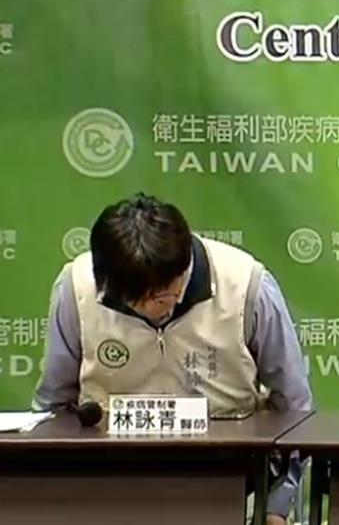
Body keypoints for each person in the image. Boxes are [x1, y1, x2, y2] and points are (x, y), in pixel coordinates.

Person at [33, 194, 312, 525]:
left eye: (162, 294)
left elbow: (295, 409)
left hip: (232, 480)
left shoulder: (246, 285)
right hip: (109, 482)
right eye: (135, 300)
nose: (152, 310)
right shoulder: (77, 287)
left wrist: (277, 505)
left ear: (185, 265)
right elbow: (54, 406)